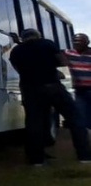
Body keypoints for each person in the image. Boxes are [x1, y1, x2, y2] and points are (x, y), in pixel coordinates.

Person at [9, 29, 91, 165]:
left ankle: (37, 160)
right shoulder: (47, 43)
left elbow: (19, 70)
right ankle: (84, 156)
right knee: (75, 119)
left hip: (30, 90)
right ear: (38, 35)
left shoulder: (15, 51)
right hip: (52, 86)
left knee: (34, 124)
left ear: (23, 38)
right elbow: (63, 61)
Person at [64, 33, 91, 128]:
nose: (76, 43)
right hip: (80, 91)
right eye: (74, 41)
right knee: (82, 116)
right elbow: (48, 53)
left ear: (87, 42)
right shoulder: (68, 53)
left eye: (79, 41)